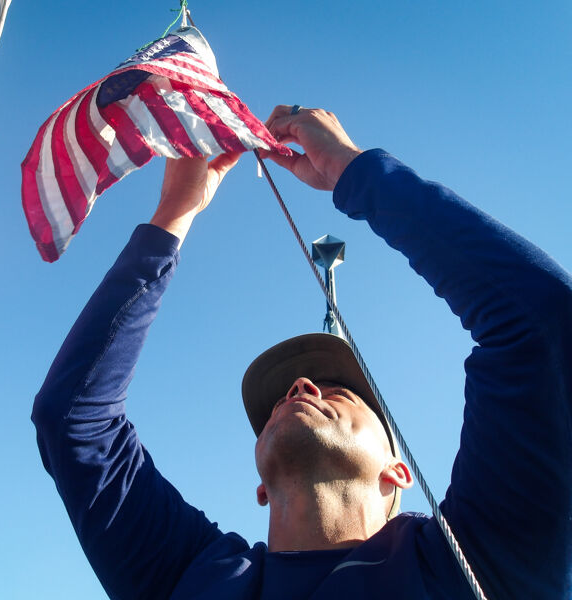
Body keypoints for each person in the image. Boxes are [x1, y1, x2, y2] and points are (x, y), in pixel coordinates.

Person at [32, 106, 572, 599]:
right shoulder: (192, 573)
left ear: (398, 473)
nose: (299, 388)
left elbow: (543, 326)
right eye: (281, 401)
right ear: (260, 488)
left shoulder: (477, 561)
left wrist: (354, 172)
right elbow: (72, 419)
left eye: (341, 389)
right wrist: (175, 209)